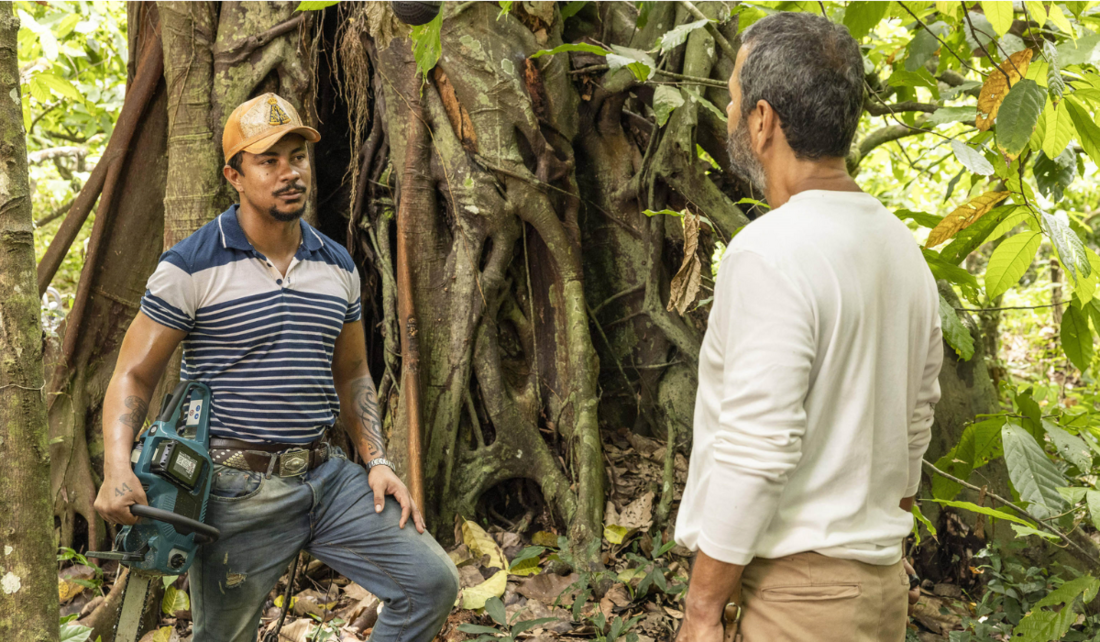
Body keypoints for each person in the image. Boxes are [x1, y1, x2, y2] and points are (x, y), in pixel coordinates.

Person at [93, 93, 459, 642]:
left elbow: (354, 373)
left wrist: (377, 458)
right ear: (234, 175)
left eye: (298, 157)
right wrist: (117, 468)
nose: (289, 173)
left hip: (327, 478)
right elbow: (133, 376)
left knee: (431, 583)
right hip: (235, 491)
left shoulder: (337, 265)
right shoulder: (190, 265)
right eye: (269, 161)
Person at [673, 13, 941, 642]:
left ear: (763, 120)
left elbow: (757, 449)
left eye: (735, 97)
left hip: (800, 600)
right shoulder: (902, 248)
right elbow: (915, 428)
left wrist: (702, 609)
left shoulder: (770, 251)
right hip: (877, 590)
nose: (731, 109)